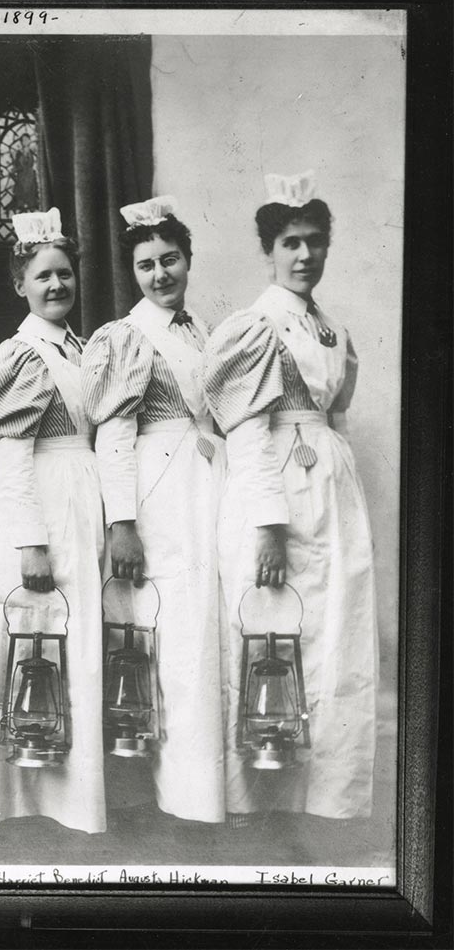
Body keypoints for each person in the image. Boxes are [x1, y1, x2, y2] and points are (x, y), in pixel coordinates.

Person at [204, 171, 375, 822]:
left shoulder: (328, 327)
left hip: (330, 484)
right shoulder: (256, 327)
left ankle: (326, 797)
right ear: (268, 250)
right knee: (280, 631)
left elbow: (337, 407)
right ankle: (264, 800)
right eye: (290, 242)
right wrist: (268, 527)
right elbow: (246, 435)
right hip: (275, 487)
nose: (305, 255)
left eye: (315, 242)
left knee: (336, 632)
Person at [80, 196, 226, 824]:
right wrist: (122, 523)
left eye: (170, 260)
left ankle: (217, 786)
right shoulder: (126, 337)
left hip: (207, 484)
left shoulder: (197, 331)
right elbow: (112, 436)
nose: (160, 274)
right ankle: (182, 795)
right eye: (146, 265)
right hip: (159, 491)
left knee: (208, 627)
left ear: (188, 260)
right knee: (176, 632)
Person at [0, 208, 106, 835]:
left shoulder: (80, 347)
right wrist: (31, 543)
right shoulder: (21, 355)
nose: (56, 286)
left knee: (74, 647)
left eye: (65, 275)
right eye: (43, 276)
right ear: (20, 284)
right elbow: (14, 458)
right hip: (40, 506)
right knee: (28, 642)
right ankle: (12, 803)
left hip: (81, 496)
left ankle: (74, 800)